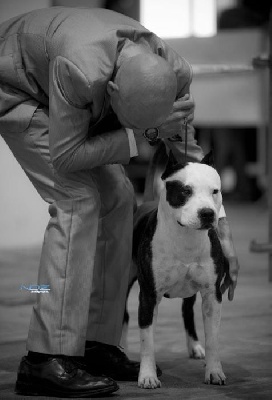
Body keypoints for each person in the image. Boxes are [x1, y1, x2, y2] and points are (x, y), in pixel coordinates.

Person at [0, 6, 239, 398]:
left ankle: (97, 343)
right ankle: (45, 358)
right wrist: (133, 138)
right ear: (111, 96)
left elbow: (189, 156)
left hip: (79, 85)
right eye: (139, 123)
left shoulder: (174, 73)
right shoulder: (79, 71)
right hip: (17, 87)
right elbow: (65, 155)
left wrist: (223, 235)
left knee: (119, 196)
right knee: (78, 200)